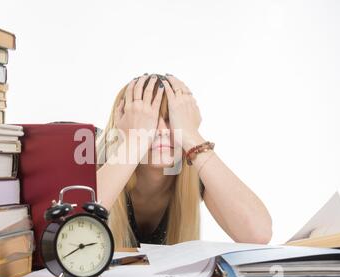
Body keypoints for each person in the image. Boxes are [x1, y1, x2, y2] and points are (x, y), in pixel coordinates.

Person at [96, 73, 272, 248]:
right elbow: (72, 220)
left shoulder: (196, 166)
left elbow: (258, 234)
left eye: (171, 119)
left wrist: (190, 135)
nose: (163, 130)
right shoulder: (93, 155)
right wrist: (134, 141)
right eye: (147, 121)